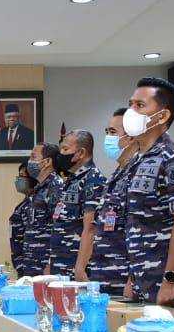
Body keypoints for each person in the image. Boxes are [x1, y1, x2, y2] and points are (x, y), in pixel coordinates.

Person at [122, 77, 174, 308]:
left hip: (172, 286)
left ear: (162, 115)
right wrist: (132, 277)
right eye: (130, 104)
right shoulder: (136, 162)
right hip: (143, 281)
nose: (131, 111)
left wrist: (170, 279)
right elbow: (136, 224)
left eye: (140, 105)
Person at [81, 108, 140, 285]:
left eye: (113, 132)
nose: (108, 137)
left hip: (123, 278)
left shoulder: (138, 173)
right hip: (103, 275)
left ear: (131, 137)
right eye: (107, 132)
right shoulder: (116, 176)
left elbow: (141, 231)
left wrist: (132, 280)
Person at [49, 130, 105, 277]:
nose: (61, 154)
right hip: (61, 265)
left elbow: (90, 228)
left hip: (76, 268)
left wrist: (80, 268)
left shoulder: (93, 180)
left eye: (65, 149)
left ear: (81, 153)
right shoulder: (72, 179)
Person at [25, 143, 64, 276]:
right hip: (33, 262)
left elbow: (59, 228)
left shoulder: (55, 187)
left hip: (46, 265)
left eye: (33, 157)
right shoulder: (39, 188)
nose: (29, 162)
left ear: (47, 162)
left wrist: (50, 263)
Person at [8, 161, 36, 277]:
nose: (18, 180)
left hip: (32, 264)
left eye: (22, 176)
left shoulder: (36, 204)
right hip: (22, 263)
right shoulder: (24, 204)